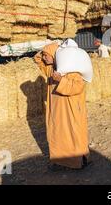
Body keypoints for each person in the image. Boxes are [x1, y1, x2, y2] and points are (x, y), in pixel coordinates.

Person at [34, 43, 90, 171]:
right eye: (43, 55)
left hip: (70, 111)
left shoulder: (72, 70)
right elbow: (36, 59)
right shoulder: (50, 69)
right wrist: (51, 49)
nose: (43, 57)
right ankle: (60, 161)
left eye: (46, 55)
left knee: (72, 135)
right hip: (56, 111)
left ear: (54, 55)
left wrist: (61, 80)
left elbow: (78, 87)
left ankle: (77, 162)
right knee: (57, 135)